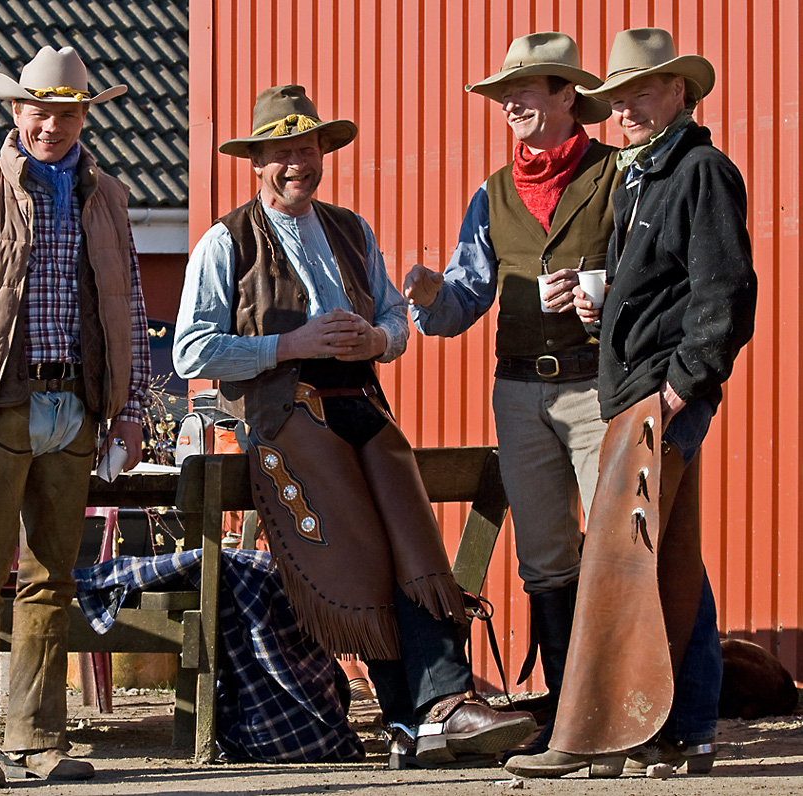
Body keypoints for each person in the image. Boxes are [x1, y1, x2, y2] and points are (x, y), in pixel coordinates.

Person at [173, 84, 536, 768]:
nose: (296, 165)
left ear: (321, 153)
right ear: (257, 162)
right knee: (365, 546)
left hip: (361, 403)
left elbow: (400, 321)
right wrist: (291, 344)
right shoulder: (226, 241)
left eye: (306, 150)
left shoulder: (351, 228)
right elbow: (191, 350)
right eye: (282, 154)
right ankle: (425, 712)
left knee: (414, 541)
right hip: (284, 415)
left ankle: (435, 711)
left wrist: (376, 340)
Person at [505, 28, 756, 778]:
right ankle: (682, 729)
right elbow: (664, 287)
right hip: (636, 391)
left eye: (641, 92)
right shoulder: (645, 174)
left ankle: (595, 733)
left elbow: (726, 293)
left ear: (682, 91)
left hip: (660, 395)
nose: (625, 108)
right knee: (667, 561)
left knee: (624, 564)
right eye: (617, 97)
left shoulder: (701, 170)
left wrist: (685, 383)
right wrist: (600, 302)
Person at [0, 46, 150, 788]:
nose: (52, 123)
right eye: (39, 109)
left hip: (75, 409)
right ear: (16, 112)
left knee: (53, 582)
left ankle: (38, 739)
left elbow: (132, 311)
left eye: (67, 110)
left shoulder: (106, 198)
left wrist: (132, 408)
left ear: (85, 116)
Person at [403, 32, 620, 754]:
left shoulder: (617, 177)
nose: (511, 104)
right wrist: (431, 295)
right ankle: (566, 715)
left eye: (526, 90)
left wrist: (607, 296)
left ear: (568, 96)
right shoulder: (493, 194)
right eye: (504, 94)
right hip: (521, 393)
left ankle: (626, 713)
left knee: (622, 547)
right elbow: (463, 299)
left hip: (601, 390)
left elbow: (652, 279)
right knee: (546, 558)